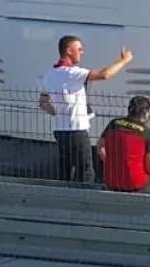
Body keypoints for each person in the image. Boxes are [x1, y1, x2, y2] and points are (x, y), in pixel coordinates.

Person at [38, 36, 132, 183]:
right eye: (79, 49)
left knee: (66, 169)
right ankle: (85, 199)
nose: (82, 52)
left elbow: (43, 102)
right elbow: (104, 74)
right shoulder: (72, 73)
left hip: (60, 130)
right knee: (85, 170)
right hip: (77, 130)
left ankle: (64, 196)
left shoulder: (49, 75)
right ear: (69, 51)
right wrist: (124, 60)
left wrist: (59, 112)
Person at [98, 96, 150, 193]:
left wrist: (110, 160)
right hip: (135, 182)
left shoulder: (113, 124)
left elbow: (100, 147)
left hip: (111, 181)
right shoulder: (147, 134)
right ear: (145, 113)